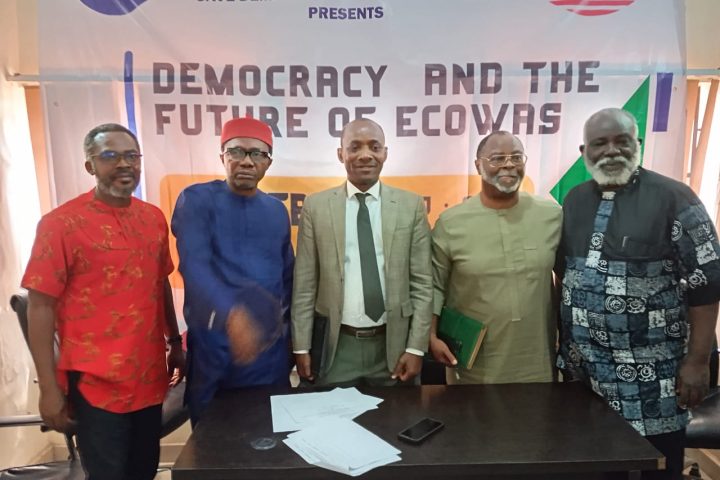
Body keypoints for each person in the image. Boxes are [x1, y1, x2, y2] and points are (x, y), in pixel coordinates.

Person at [556, 108, 720, 480]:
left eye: (622, 141)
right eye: (600, 143)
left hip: (654, 376)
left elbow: (707, 284)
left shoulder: (675, 198)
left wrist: (698, 362)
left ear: (638, 144)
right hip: (587, 374)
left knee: (656, 468)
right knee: (594, 466)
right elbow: (564, 276)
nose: (611, 150)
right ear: (584, 151)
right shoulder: (574, 200)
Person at [22, 123, 185, 480]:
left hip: (148, 377)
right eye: (110, 155)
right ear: (90, 166)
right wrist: (48, 388)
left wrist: (175, 342)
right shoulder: (60, 224)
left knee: (143, 470)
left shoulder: (152, 219)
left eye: (131, 156)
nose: (124, 164)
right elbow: (40, 306)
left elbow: (159, 284)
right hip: (94, 383)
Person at [291, 118, 432, 386]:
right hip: (335, 349)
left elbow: (423, 284)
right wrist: (301, 346)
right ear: (340, 154)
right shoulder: (316, 207)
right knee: (331, 414)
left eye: (374, 147)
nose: (365, 155)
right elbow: (305, 285)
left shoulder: (410, 206)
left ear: (385, 153)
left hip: (394, 347)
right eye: (354, 147)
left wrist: (416, 348)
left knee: (396, 414)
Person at [171, 117, 294, 423]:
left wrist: (292, 340)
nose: (247, 161)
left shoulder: (276, 211)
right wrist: (233, 317)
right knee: (212, 443)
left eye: (257, 154)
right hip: (214, 353)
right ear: (222, 157)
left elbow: (288, 278)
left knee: (268, 439)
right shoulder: (196, 200)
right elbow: (194, 267)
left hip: (268, 356)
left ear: (268, 162)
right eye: (237, 151)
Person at [429, 131, 562, 384]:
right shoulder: (451, 222)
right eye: (498, 158)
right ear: (478, 165)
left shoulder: (551, 215)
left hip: (537, 359)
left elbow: (568, 279)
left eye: (516, 157)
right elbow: (434, 286)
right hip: (474, 365)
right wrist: (431, 336)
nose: (509, 164)